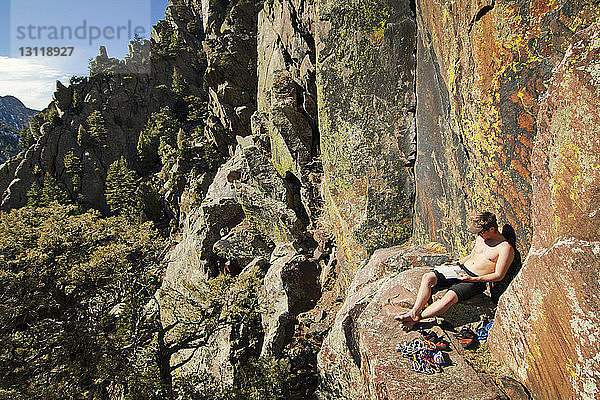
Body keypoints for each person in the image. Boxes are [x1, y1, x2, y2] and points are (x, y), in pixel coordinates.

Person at [396, 211, 515, 331]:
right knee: (428, 277)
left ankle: (418, 318)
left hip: (475, 280)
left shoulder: (505, 248)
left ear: (492, 229)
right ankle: (414, 311)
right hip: (460, 269)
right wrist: (456, 263)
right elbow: (473, 255)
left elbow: (499, 275)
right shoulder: (481, 238)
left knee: (449, 298)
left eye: (480, 232)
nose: (478, 235)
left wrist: (473, 279)